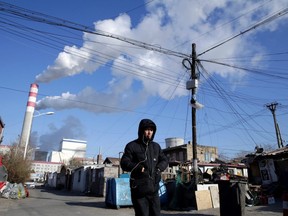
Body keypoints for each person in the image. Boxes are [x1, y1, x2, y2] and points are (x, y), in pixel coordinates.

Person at [120, 119, 168, 216]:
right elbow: (124, 163)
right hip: (139, 191)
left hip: (154, 190)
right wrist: (137, 167)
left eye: (151, 130)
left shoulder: (156, 147)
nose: (149, 132)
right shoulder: (132, 146)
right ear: (141, 131)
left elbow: (164, 160)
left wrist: (158, 169)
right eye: (147, 130)